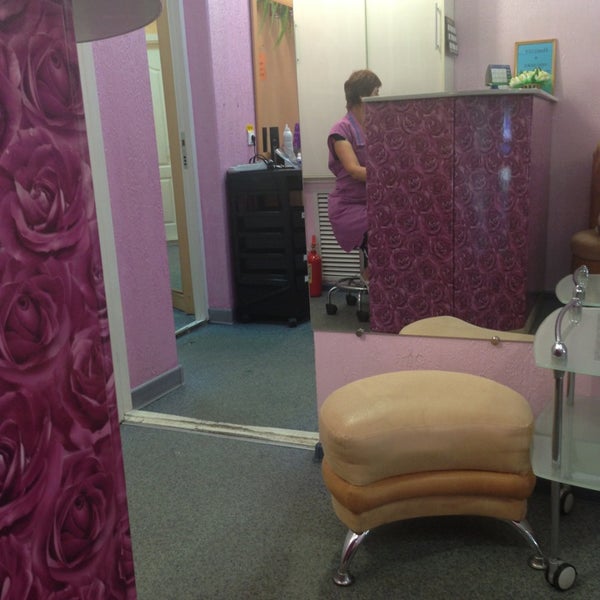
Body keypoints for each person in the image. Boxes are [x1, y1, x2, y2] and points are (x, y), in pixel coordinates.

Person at [327, 69, 381, 261]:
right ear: (362, 96)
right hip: (348, 208)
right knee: (383, 232)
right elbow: (354, 171)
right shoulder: (340, 130)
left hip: (370, 203)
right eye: (376, 93)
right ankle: (372, 274)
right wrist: (387, 175)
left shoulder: (373, 127)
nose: (379, 98)